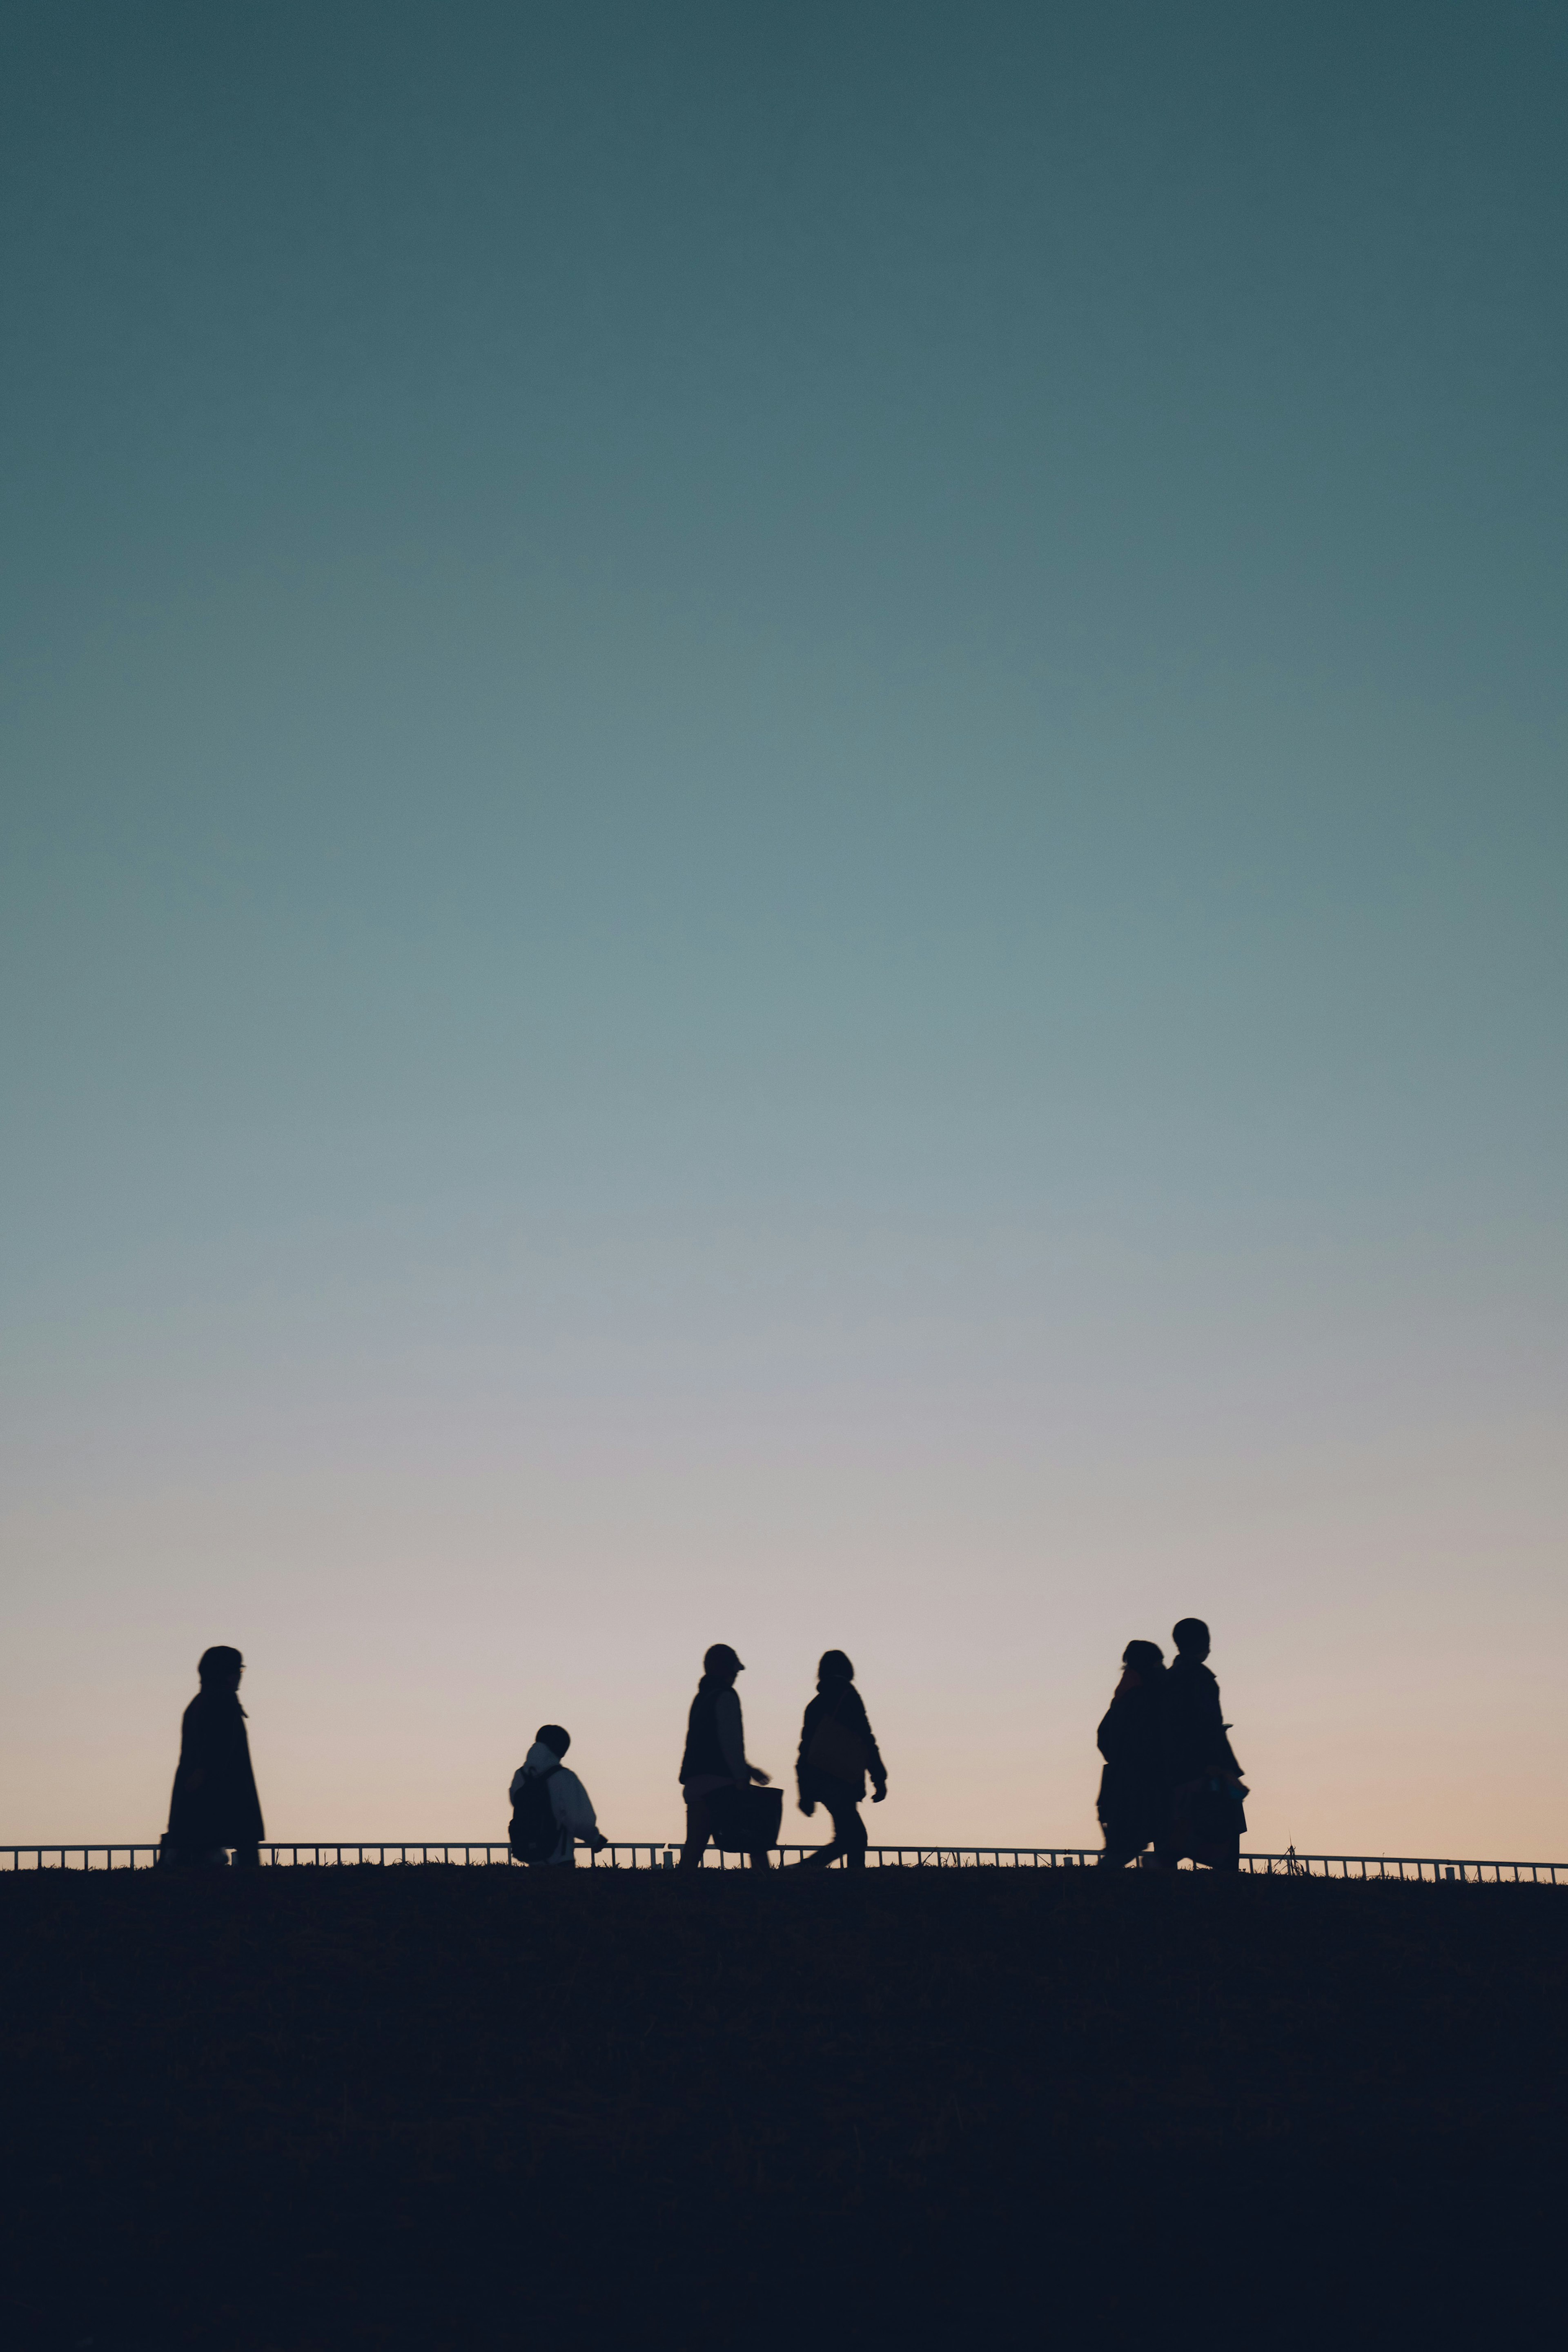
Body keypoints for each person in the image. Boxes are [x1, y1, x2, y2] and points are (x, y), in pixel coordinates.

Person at [1155, 1618, 1247, 1871]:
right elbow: (1208, 1725)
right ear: (1204, 1643)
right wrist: (1219, 1764)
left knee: (1177, 1832)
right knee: (1225, 1830)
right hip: (1206, 1769)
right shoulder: (1200, 1679)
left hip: (1173, 1770)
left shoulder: (1165, 1680)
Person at [160, 1646, 265, 1869]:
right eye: (238, 1670)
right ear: (227, 1674)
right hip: (221, 1787)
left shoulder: (202, 1701)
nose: (240, 1677)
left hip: (202, 1786)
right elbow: (219, 1744)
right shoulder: (223, 1701)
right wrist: (204, 1772)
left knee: (198, 1846)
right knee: (240, 1843)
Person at [678, 1644, 773, 1873]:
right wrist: (742, 1776)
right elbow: (730, 1741)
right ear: (726, 1670)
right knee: (754, 1838)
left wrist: (748, 1768)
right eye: (734, 1671)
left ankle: (676, 1891)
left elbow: (708, 1743)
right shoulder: (727, 1696)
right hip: (722, 1784)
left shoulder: (701, 1699)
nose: (736, 1676)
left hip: (695, 1782)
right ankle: (769, 1888)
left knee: (695, 1845)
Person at [790, 1650, 887, 1870]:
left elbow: (805, 1752)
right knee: (855, 1838)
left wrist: (805, 1793)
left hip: (821, 1780)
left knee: (850, 1837)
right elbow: (865, 1739)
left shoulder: (814, 1705)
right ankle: (808, 1870)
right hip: (844, 1778)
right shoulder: (849, 1697)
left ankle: (843, 1879)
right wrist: (879, 1778)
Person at [1095, 1640, 1168, 1868]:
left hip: (1123, 1781)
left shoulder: (1122, 1696)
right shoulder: (1146, 1696)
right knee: (1155, 1839)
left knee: (1127, 1844)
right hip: (1146, 1781)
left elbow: (1103, 1736)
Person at [508, 1725, 610, 1867]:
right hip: (559, 1858)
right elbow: (580, 1821)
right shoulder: (564, 1777)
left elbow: (517, 1803)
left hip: (529, 1856)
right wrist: (595, 1839)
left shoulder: (521, 1776)